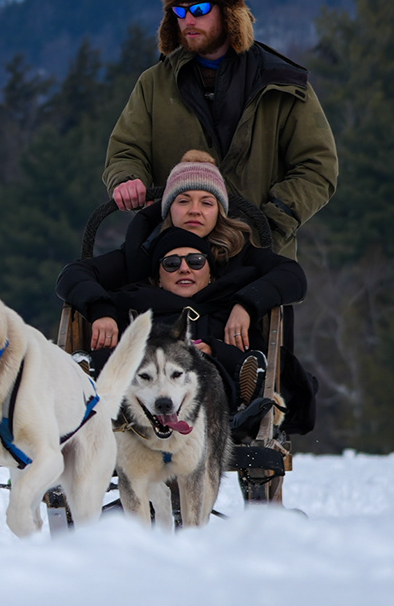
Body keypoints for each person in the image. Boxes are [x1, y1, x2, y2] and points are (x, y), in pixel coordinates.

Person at [102, 0, 338, 258]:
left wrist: (270, 220)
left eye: (199, 9)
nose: (188, 20)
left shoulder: (282, 84)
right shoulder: (154, 84)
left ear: (228, 12)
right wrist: (127, 178)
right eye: (179, 10)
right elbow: (126, 150)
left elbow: (318, 167)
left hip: (261, 264)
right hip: (176, 264)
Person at [58, 153, 307, 416]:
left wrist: (246, 303)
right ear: (168, 208)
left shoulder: (241, 255)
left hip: (213, 348)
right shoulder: (139, 254)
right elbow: (73, 274)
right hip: (151, 355)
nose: (194, 210)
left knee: (222, 363)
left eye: (207, 202)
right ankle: (89, 383)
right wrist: (101, 309)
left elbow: (292, 275)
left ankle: (247, 395)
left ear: (219, 210)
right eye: (183, 201)